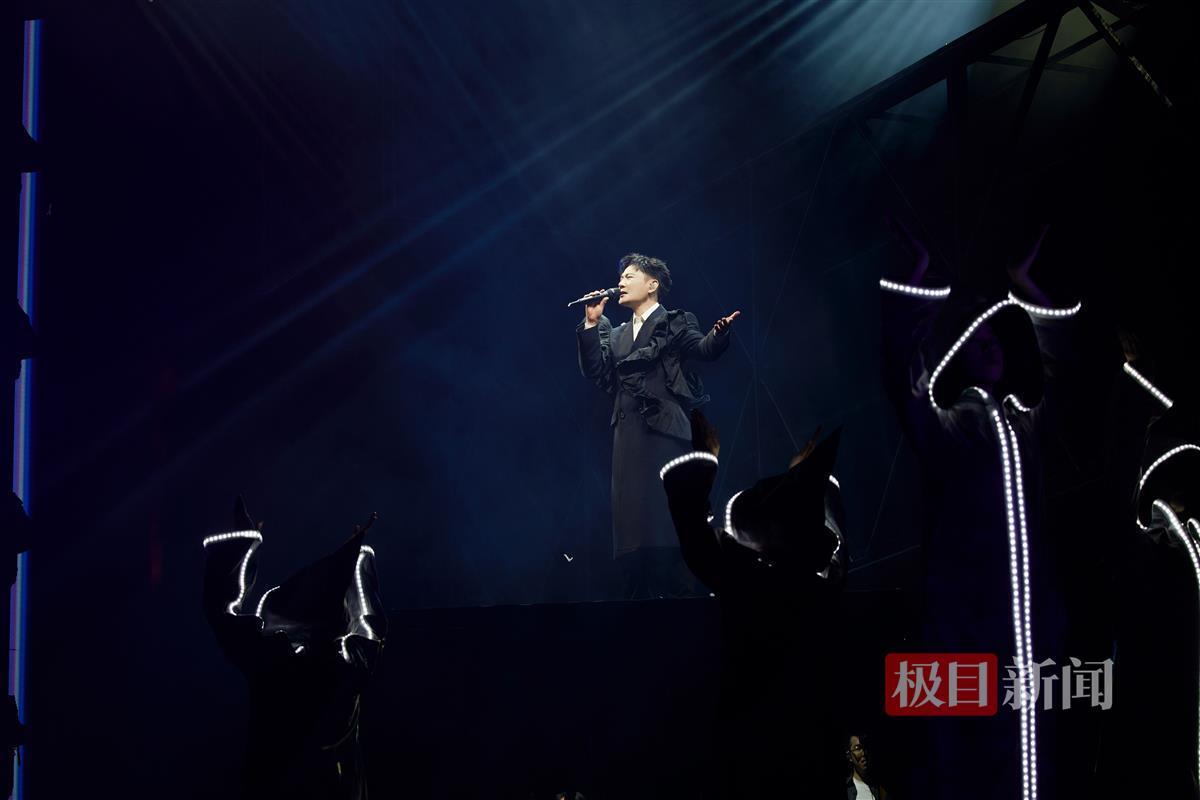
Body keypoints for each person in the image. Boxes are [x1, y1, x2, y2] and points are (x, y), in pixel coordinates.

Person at [879, 217, 1080, 799]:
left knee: (1033, 759)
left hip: (1031, 630)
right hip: (968, 625)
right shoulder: (950, 426)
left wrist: (1027, 288)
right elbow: (904, 378)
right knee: (968, 761)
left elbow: (1058, 368)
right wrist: (915, 282)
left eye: (995, 339)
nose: (989, 347)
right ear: (961, 356)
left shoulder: (1024, 423)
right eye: (977, 341)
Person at [659, 409, 846, 796]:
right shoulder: (823, 583)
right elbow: (828, 529)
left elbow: (692, 529)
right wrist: (804, 482)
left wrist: (705, 457)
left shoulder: (745, 581)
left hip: (752, 749)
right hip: (811, 749)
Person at [577, 252, 739, 598]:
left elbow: (703, 348)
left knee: (666, 525)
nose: (620, 283)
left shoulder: (674, 322)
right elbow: (597, 372)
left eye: (629, 276)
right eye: (620, 277)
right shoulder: (616, 334)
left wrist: (719, 333)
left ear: (652, 285)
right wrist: (591, 324)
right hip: (627, 437)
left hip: (664, 433)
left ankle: (678, 594)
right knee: (633, 531)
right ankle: (640, 595)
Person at [202, 497, 387, 800]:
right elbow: (369, 623)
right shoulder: (351, 664)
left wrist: (243, 544)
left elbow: (220, 614)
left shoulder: (273, 662)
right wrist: (356, 561)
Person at [845, 734, 889, 800]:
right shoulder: (847, 788)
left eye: (865, 747)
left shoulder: (879, 787)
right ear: (849, 756)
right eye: (857, 748)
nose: (863, 753)